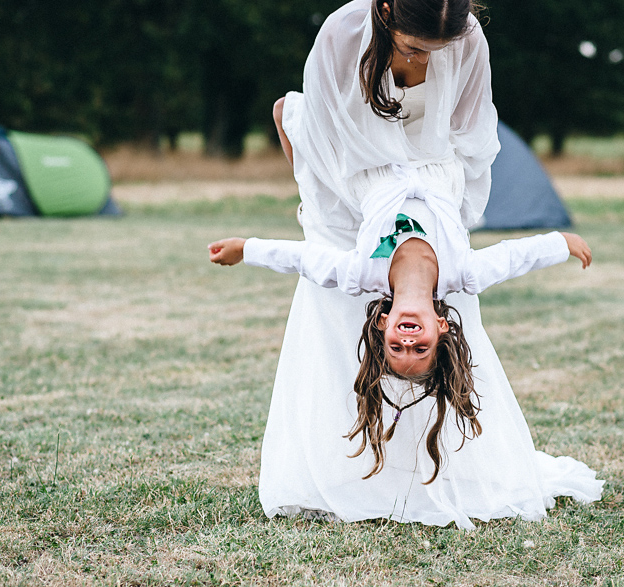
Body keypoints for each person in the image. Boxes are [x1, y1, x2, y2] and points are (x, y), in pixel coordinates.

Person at [247, 0, 603, 529]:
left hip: (414, 187)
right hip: (351, 173)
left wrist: (248, 248)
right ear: (386, 10)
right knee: (335, 302)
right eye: (416, 49)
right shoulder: (343, 34)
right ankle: (361, 467)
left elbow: (473, 132)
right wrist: (555, 243)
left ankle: (415, 469)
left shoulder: (468, 39)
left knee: (347, 288)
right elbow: (328, 137)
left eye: (441, 51)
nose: (430, 60)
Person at [209, 163, 592, 484]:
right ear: (442, 327)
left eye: (397, 347)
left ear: (383, 323)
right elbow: (513, 257)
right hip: (436, 166)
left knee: (287, 112)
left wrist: (246, 249)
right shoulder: (463, 273)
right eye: (421, 348)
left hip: (375, 165)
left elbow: (304, 259)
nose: (408, 342)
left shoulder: (362, 272)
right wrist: (560, 243)